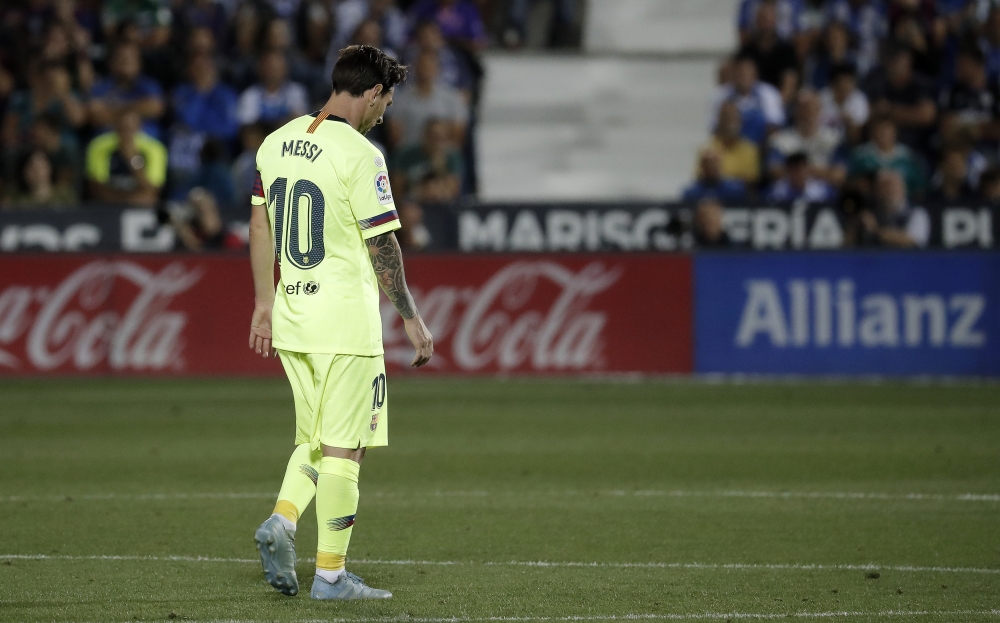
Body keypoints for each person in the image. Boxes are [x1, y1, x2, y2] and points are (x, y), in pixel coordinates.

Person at [248, 44, 433, 601]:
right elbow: (383, 244)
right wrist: (411, 317)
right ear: (372, 93)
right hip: (345, 325)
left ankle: (282, 520)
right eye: (387, 102)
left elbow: (259, 227)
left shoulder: (275, 142)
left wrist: (263, 304)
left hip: (293, 316)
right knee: (347, 448)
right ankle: (330, 575)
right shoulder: (361, 154)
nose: (384, 113)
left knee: (316, 440)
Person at [387, 50, 468, 150]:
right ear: (415, 68)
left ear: (438, 69)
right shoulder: (402, 98)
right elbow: (395, 134)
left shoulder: (451, 97)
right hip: (410, 153)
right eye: (423, 66)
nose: (426, 71)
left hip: (443, 154)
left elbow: (458, 134)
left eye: (430, 66)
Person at [85, 110, 167, 206]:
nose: (126, 134)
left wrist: (132, 158)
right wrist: (122, 202)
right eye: (123, 128)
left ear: (139, 128)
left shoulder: (154, 149)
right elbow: (97, 188)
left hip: (138, 203)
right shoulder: (99, 146)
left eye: (130, 129)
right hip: (109, 203)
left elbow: (152, 190)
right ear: (115, 127)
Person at [88, 41, 165, 139]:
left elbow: (155, 108)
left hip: (145, 140)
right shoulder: (101, 86)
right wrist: (137, 109)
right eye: (121, 58)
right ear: (111, 62)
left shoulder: (149, 85)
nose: (126, 62)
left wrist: (113, 110)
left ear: (139, 63)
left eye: (131, 58)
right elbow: (95, 117)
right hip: (108, 141)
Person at [768, 89, 846, 186]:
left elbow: (838, 176)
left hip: (824, 192)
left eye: (811, 108)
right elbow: (775, 172)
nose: (807, 112)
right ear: (795, 111)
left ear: (819, 109)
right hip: (789, 191)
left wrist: (800, 170)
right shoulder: (780, 140)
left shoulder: (834, 139)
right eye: (802, 108)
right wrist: (822, 172)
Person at [711, 54, 786, 145]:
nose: (743, 76)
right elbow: (713, 128)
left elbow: (775, 124)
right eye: (740, 73)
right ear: (733, 74)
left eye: (747, 72)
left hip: (762, 145)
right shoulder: (721, 95)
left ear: (755, 74)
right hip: (732, 145)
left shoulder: (768, 93)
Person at [739, 0, 800, 104]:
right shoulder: (747, 49)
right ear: (756, 20)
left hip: (777, 102)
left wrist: (773, 105)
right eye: (762, 18)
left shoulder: (786, 49)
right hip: (752, 101)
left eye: (768, 19)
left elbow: (790, 82)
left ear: (775, 20)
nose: (765, 23)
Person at [850, 168, 930, 247]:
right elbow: (848, 245)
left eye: (893, 186)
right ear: (876, 191)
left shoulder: (917, 212)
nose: (890, 191)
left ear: (903, 189)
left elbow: (911, 240)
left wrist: (875, 229)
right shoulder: (868, 213)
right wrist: (855, 226)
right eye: (884, 187)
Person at [848, 115, 924, 197]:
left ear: (895, 132)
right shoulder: (860, 155)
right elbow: (848, 182)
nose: (884, 134)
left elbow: (920, 187)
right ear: (872, 132)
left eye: (887, 129)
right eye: (879, 130)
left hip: (903, 202)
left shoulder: (907, 157)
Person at [391, 118, 463, 199]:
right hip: (411, 200)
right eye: (434, 137)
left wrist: (440, 169)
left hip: (441, 202)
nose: (437, 143)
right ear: (425, 136)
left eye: (441, 138)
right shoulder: (407, 154)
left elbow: (453, 190)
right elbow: (396, 189)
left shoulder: (452, 157)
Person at [236, 52, 309, 127]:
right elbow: (248, 126)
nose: (273, 72)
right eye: (269, 68)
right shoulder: (250, 95)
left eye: (276, 68)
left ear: (285, 69)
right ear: (260, 70)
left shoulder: (295, 91)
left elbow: (299, 120)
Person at [701, 101, 761, 185]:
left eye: (734, 118)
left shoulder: (750, 150)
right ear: (720, 121)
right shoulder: (708, 149)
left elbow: (751, 180)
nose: (731, 123)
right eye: (727, 118)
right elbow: (700, 177)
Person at [4, 150, 78, 209]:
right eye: (33, 167)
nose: (37, 171)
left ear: (49, 168)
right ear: (25, 172)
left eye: (41, 167)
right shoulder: (16, 199)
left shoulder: (65, 195)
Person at [818, 63, 869, 144]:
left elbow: (859, 132)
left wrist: (849, 121)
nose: (845, 87)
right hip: (824, 142)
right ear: (833, 84)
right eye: (841, 83)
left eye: (848, 83)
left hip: (848, 143)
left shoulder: (859, 100)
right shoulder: (822, 98)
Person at [766, 151, 836, 204]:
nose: (798, 174)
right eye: (794, 170)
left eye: (801, 169)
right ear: (788, 171)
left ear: (808, 169)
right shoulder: (777, 191)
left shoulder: (822, 191)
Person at [682, 150, 748, 203]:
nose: (711, 167)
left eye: (714, 163)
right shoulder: (692, 193)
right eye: (707, 164)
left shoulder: (735, 190)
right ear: (702, 167)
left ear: (720, 165)